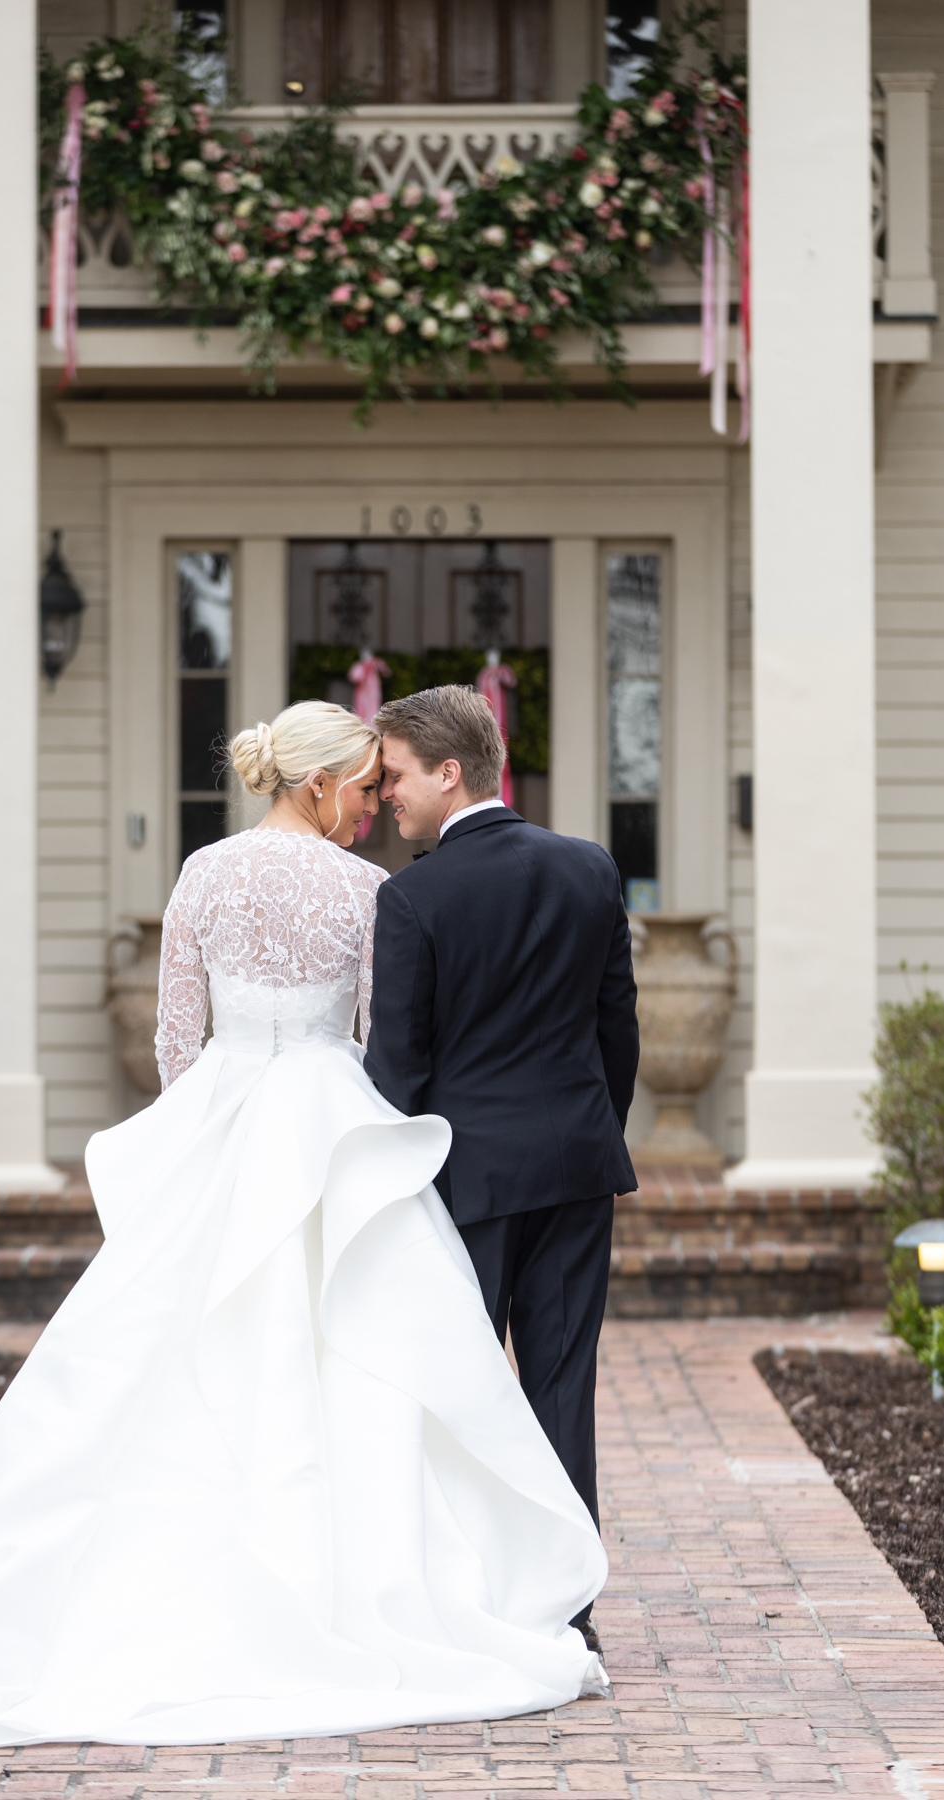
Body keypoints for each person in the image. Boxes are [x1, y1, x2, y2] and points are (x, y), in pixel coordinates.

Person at [0, 700, 608, 1751]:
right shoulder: (369, 891)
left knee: (168, 1361)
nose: (373, 805)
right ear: (318, 784)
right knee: (355, 1355)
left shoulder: (203, 873)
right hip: (330, 1126)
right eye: (364, 787)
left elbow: (178, 1042)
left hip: (224, 1120)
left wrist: (206, 1142)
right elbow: (385, 1043)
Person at [363, 686, 640, 1659]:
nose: (385, 795)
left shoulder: (412, 898)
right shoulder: (589, 868)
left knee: (459, 1394)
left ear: (449, 773)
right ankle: (566, 1610)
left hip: (462, 1189)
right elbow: (617, 1034)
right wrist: (587, 1132)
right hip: (575, 1168)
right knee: (561, 1388)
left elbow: (396, 1072)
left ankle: (471, 1600)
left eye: (395, 776)